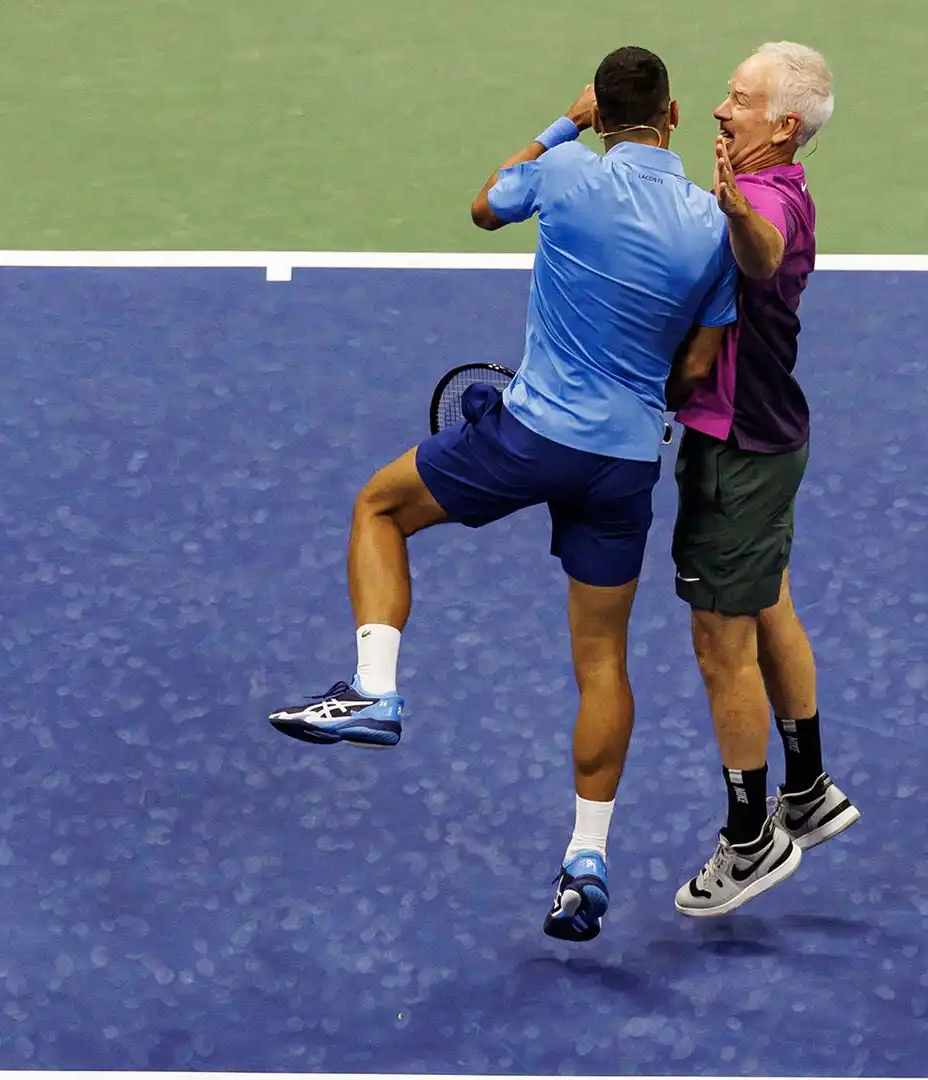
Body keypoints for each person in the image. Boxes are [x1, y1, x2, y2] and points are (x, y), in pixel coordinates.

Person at [264, 46, 737, 943]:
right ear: (673, 117)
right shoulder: (713, 227)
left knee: (379, 507)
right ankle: (585, 859)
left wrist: (563, 126)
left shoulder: (561, 172)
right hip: (625, 464)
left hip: (529, 440)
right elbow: (700, 368)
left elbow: (485, 206)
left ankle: (375, 689)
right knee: (602, 661)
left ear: (602, 110)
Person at [668, 42, 858, 919]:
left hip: (737, 451)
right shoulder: (776, 186)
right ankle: (809, 788)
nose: (720, 108)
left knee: (721, 642)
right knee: (769, 595)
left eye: (739, 100)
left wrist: (730, 205)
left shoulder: (768, 200)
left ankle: (749, 841)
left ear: (783, 127)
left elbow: (758, 252)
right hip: (773, 441)